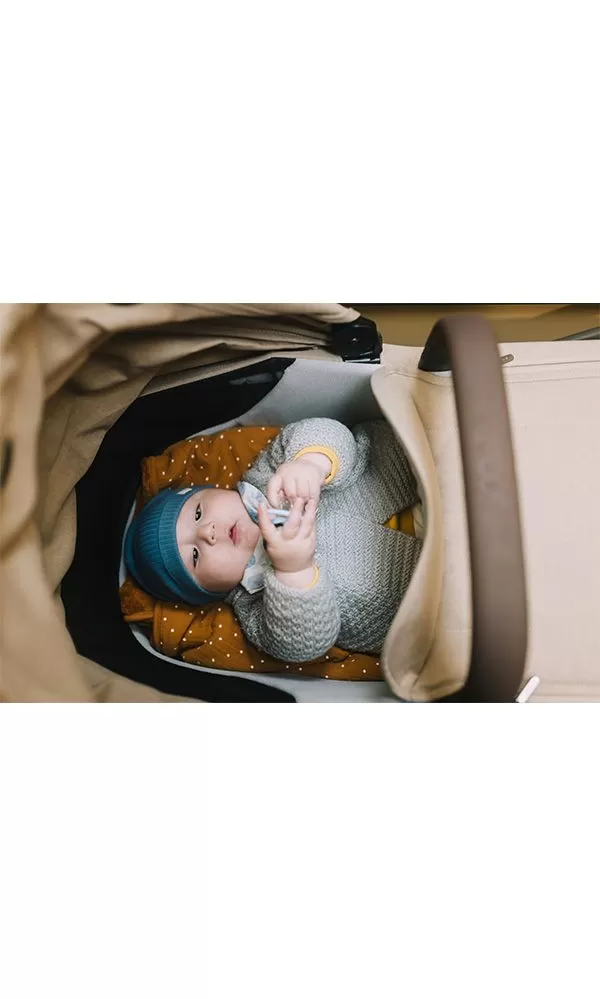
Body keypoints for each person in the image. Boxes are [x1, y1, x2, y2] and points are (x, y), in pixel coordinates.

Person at [124, 418, 422, 662]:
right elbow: (304, 643)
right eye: (194, 556)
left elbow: (325, 431)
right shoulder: (257, 607)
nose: (207, 533)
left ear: (213, 490)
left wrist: (311, 463)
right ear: (210, 591)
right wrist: (293, 571)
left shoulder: (267, 477)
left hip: (416, 470)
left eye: (198, 513)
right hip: (429, 591)